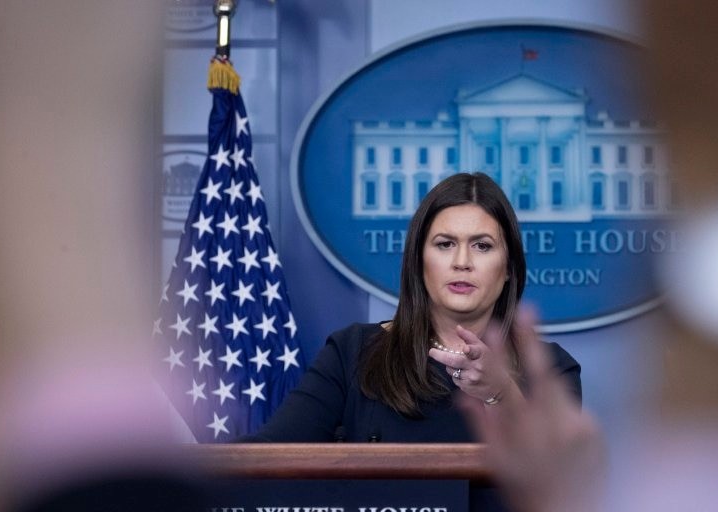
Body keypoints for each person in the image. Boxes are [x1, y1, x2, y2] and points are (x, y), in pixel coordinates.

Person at [243, 172, 581, 442]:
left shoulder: (550, 368)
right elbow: (268, 458)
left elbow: (564, 482)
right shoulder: (352, 353)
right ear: (419, 261)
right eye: (445, 244)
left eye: (482, 246)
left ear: (508, 267)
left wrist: (500, 393)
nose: (462, 262)